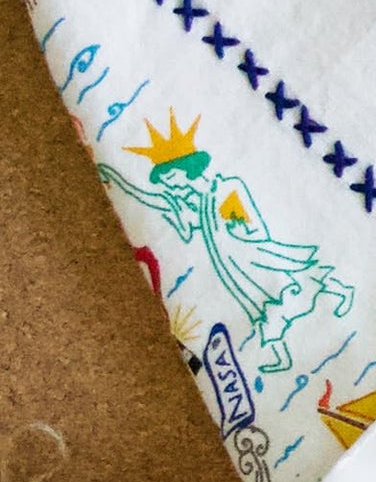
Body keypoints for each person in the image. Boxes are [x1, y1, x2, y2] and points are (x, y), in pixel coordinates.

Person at [99, 111, 354, 374]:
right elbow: (157, 202)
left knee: (295, 280)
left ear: (186, 169)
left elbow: (249, 223)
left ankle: (339, 290)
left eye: (171, 179)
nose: (171, 187)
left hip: (251, 254)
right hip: (233, 266)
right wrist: (118, 181)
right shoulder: (197, 203)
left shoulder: (224, 189)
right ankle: (282, 355)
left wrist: (241, 231)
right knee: (261, 306)